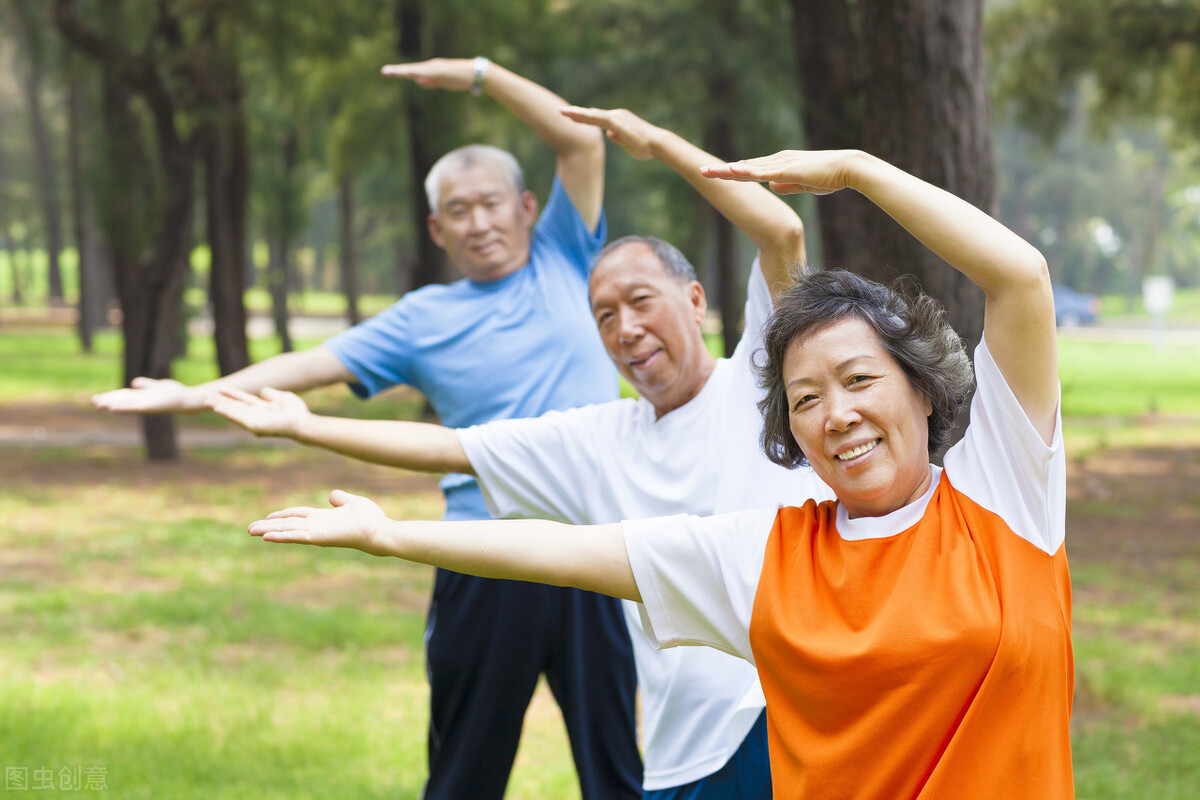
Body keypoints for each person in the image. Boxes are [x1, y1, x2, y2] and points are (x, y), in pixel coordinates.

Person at [245, 148, 1073, 800]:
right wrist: (388, 535)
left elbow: (1021, 278)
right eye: (806, 398)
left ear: (922, 387)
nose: (838, 415)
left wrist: (855, 171)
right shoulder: (769, 556)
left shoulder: (1003, 491)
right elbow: (568, 552)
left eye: (859, 381)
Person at [211, 107, 833, 799]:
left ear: (693, 299)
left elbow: (780, 229)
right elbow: (452, 448)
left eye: (641, 300)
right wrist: (306, 426)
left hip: (780, 715)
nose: (626, 328)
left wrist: (657, 143)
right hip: (681, 752)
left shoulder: (758, 372)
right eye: (604, 314)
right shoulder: (600, 440)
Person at [94, 58, 643, 800]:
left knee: (618, 775)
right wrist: (194, 395)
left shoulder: (566, 255)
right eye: (458, 210)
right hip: (482, 557)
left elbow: (582, 143)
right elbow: (310, 364)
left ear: (525, 206)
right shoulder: (424, 319)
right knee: (462, 777)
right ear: (436, 226)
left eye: (490, 204)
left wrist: (482, 76)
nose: (478, 223)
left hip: (594, 553)